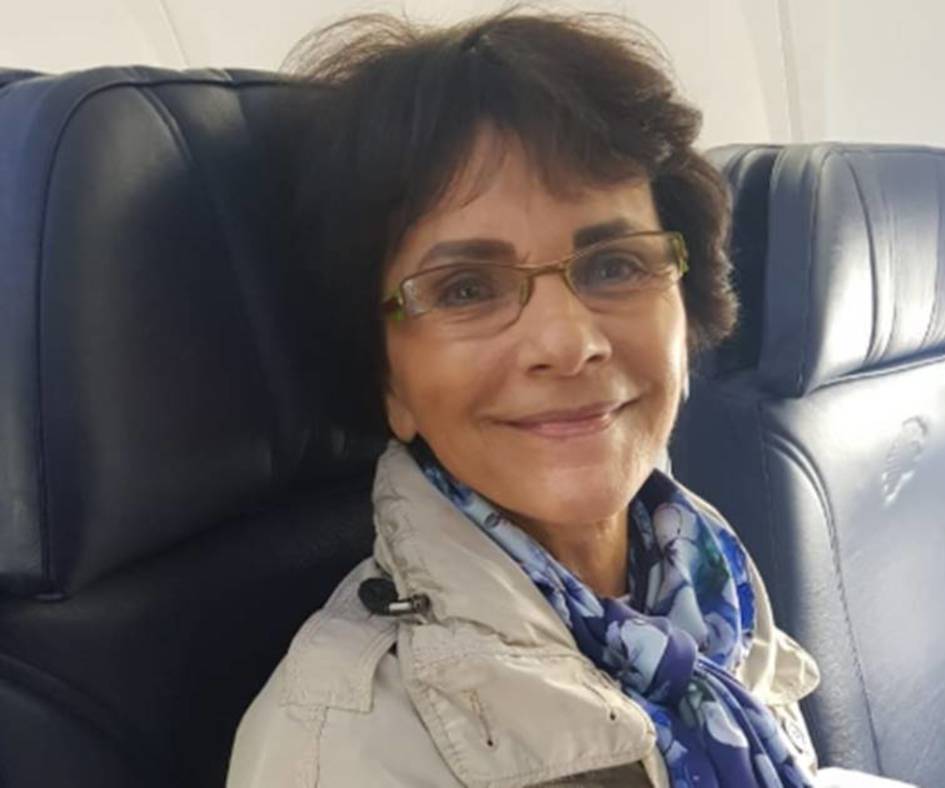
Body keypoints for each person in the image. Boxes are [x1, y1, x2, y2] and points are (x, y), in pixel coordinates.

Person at [227, 10, 909, 787]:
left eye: (615, 265)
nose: (568, 341)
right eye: (466, 288)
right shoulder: (341, 752)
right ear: (387, 381)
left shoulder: (699, 572)